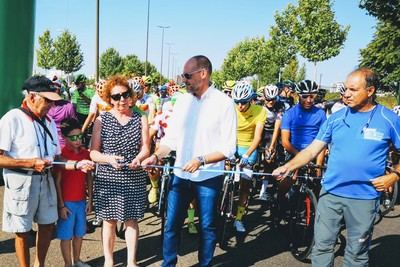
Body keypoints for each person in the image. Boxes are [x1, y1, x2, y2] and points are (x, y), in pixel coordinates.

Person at [273, 68, 400, 267]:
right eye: (345, 88)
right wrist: (287, 166)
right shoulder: (335, 118)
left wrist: (394, 175)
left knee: (357, 255)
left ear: (370, 91)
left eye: (353, 89)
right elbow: (313, 149)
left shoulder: (389, 119)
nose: (346, 94)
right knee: (321, 248)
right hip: (330, 194)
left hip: (365, 198)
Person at [142, 55, 237, 267]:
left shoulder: (224, 103)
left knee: (207, 228)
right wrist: (156, 156)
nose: (183, 80)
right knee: (171, 225)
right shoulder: (183, 101)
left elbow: (228, 148)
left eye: (187, 75)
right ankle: (168, 264)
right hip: (180, 176)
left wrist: (201, 160)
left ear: (203, 73)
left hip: (209, 178)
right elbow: (171, 140)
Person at [0, 75, 93, 267]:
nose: (51, 105)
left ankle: (39, 264)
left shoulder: (49, 121)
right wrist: (30, 163)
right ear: (32, 97)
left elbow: (57, 159)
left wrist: (77, 165)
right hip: (22, 181)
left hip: (46, 180)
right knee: (22, 231)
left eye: (53, 100)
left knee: (48, 226)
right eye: (47, 100)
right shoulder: (12, 119)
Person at [90, 75, 150, 267]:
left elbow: (146, 148)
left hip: (134, 175)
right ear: (110, 99)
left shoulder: (141, 119)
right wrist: (108, 159)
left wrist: (139, 158)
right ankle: (109, 260)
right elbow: (93, 153)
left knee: (131, 220)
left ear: (131, 96)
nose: (121, 99)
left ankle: (131, 261)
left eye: (125, 95)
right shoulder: (101, 120)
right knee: (109, 221)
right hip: (109, 177)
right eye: (116, 97)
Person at [55, 118, 93, 267]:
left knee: (79, 234)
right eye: (73, 137)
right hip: (67, 202)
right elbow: (57, 182)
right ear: (65, 138)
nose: (77, 140)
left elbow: (89, 176)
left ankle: (77, 260)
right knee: (66, 236)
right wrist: (61, 205)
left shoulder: (85, 153)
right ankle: (68, 264)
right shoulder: (62, 155)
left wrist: (90, 199)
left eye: (80, 136)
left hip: (81, 200)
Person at [231, 81, 267, 232]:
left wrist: (247, 154)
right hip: (232, 143)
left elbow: (257, 138)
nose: (240, 106)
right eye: (237, 102)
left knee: (245, 185)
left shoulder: (260, 111)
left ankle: (239, 218)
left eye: (244, 102)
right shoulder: (230, 109)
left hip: (249, 147)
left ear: (251, 99)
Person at [47, 81, 77, 148]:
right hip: (47, 144)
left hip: (63, 145)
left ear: (60, 90)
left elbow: (74, 126)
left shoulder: (68, 106)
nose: (53, 91)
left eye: (55, 88)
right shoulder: (42, 106)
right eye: (50, 88)